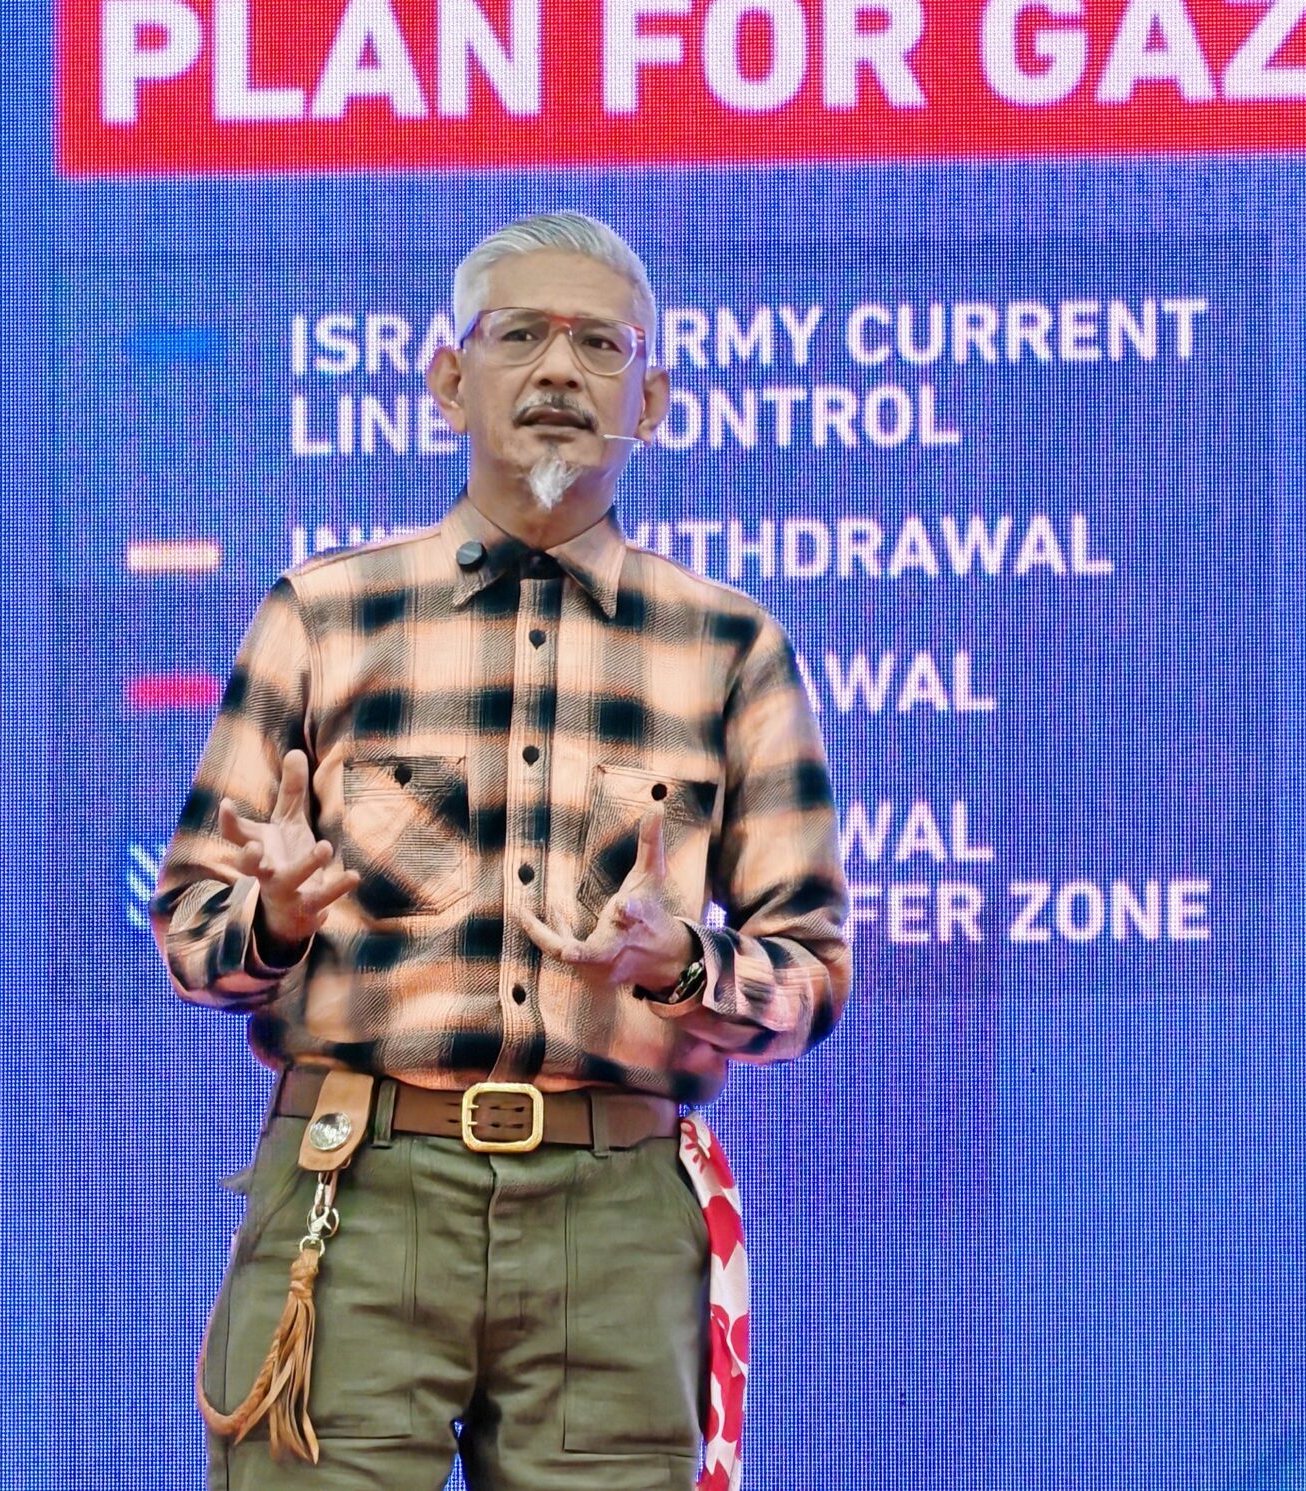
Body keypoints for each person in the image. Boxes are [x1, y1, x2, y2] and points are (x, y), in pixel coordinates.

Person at [151, 209, 850, 1491]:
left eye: (601, 344)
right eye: (520, 335)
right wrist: (276, 923)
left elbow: (811, 978)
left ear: (654, 401)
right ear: (448, 381)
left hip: (616, 1219)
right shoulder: (323, 618)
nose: (559, 371)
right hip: (354, 1201)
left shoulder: (732, 650)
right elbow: (195, 935)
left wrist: (686, 965)